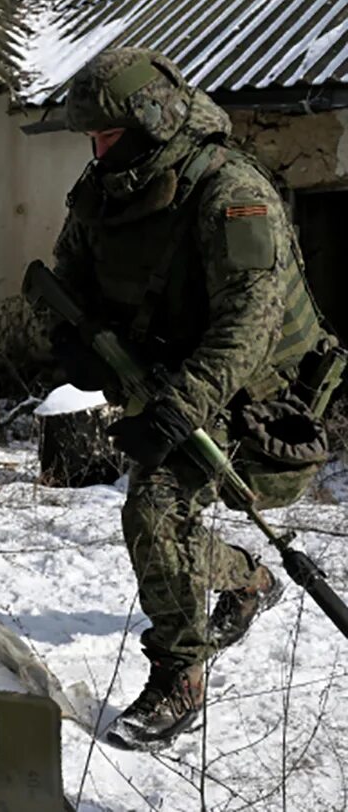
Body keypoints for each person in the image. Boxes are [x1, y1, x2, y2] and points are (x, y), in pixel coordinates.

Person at [50, 47, 342, 748]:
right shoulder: (104, 195)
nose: (96, 152)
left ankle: (181, 678)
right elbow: (67, 283)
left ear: (153, 125)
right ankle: (248, 581)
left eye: (108, 138)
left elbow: (249, 325)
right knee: (164, 522)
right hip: (175, 384)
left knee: (154, 508)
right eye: (90, 139)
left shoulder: (229, 193)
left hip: (265, 410)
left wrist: (178, 411)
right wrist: (70, 344)